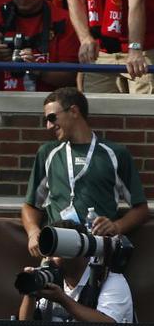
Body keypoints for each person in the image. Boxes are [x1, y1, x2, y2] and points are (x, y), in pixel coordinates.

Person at [21, 87, 148, 258]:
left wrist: (116, 226)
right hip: (58, 249)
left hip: (98, 249)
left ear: (74, 111)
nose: (48, 126)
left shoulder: (115, 153)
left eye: (52, 118)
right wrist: (33, 232)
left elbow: (140, 209)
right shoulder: (48, 153)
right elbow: (30, 205)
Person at [18, 220, 133, 323]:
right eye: (46, 255)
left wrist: (63, 300)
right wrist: (31, 292)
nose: (49, 260)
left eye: (55, 254)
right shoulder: (51, 276)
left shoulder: (110, 280)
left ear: (77, 250)